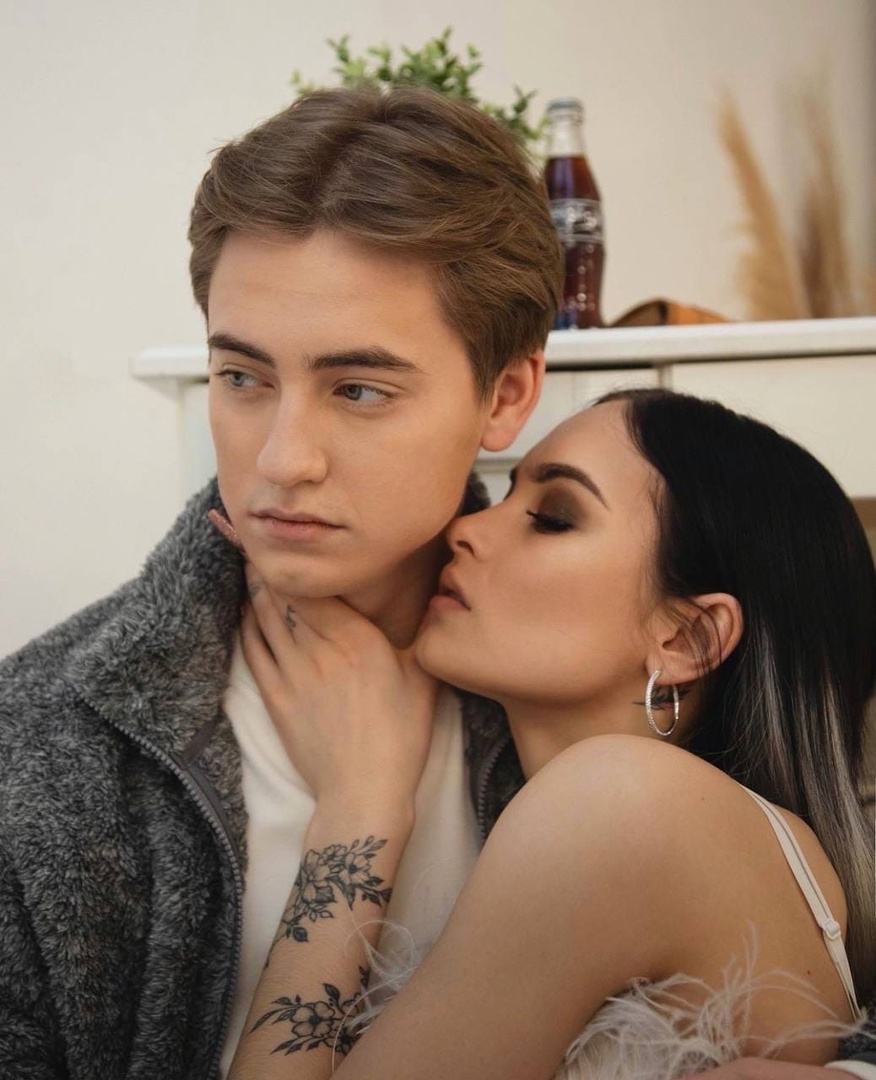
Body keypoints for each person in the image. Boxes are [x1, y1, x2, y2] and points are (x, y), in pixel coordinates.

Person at [0, 86, 559, 1078]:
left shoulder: (600, 680)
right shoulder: (36, 744)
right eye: (244, 378)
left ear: (505, 395)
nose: (282, 460)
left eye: (359, 389)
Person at [226, 389, 876, 1080]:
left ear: (687, 639)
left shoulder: (621, 802)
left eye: (552, 518)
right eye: (509, 494)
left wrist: (361, 805)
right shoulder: (729, 841)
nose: (464, 528)